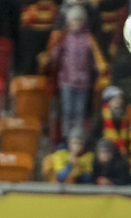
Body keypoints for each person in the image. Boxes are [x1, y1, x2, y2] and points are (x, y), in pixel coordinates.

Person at [40, 4, 109, 140]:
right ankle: (67, 138)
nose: (76, 23)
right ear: (68, 22)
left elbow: (96, 59)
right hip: (66, 81)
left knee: (80, 111)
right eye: (73, 20)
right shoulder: (63, 38)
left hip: (83, 82)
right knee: (67, 111)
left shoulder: (89, 39)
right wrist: (51, 56)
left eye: (79, 20)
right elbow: (55, 57)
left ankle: (78, 139)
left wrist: (103, 71)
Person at [90, 85, 125, 154]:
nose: (118, 101)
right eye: (115, 99)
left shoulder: (124, 116)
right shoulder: (100, 115)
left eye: (119, 98)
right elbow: (93, 134)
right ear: (108, 101)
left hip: (120, 151)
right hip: (105, 151)